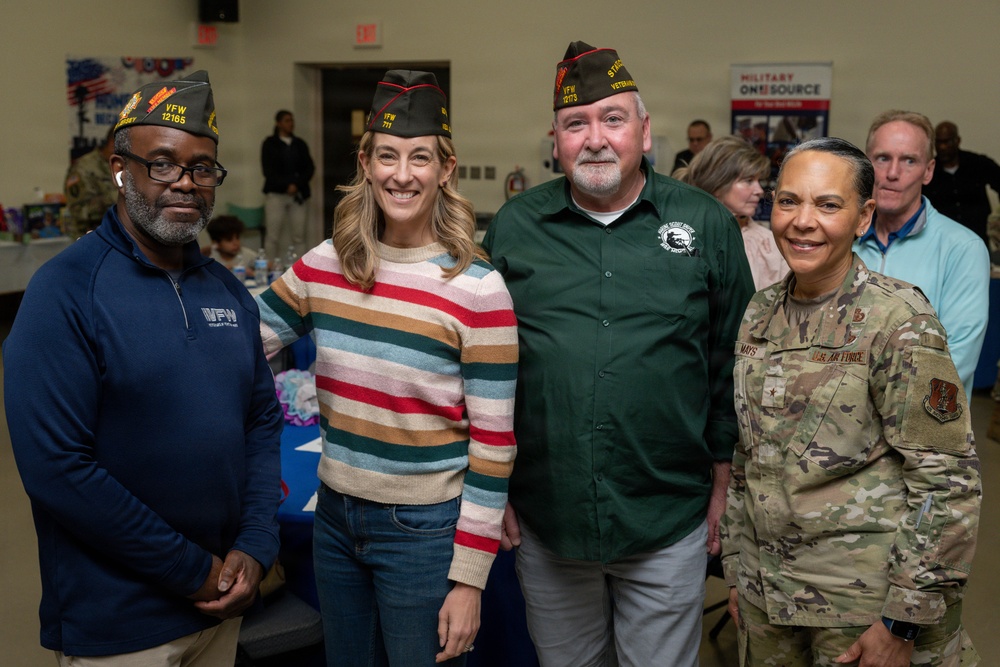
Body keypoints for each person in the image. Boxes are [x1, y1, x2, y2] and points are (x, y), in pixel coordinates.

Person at [482, 41, 755, 667]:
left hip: (667, 513)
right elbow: (485, 370)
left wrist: (724, 478)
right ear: (555, 140)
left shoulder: (705, 223)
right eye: (576, 124)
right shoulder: (515, 228)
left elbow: (734, 360)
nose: (596, 138)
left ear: (645, 131)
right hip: (550, 517)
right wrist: (492, 485)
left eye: (613, 119)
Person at [3, 70, 283, 666]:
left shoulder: (228, 291)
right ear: (120, 169)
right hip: (120, 625)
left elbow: (260, 420)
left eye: (202, 167)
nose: (185, 183)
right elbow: (57, 468)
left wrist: (256, 546)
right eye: (162, 164)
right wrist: (190, 571)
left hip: (223, 606)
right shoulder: (65, 292)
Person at [255, 70, 518, 666]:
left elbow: (495, 446)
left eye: (420, 157)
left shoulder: (478, 290)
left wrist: (470, 578)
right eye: (388, 156)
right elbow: (243, 338)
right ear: (366, 162)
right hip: (335, 517)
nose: (402, 175)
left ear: (445, 169)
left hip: (423, 530)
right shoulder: (327, 264)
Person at [721, 137, 981, 667]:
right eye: (789, 201)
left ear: (863, 218)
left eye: (828, 204)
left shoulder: (897, 319)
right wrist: (739, 570)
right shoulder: (760, 311)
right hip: (767, 595)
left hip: (861, 606)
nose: (802, 221)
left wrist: (903, 620)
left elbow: (947, 481)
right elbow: (750, 454)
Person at [853, 110, 989, 398]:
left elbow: (955, 362)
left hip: (919, 431)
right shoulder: (844, 240)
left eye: (909, 160)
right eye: (882, 158)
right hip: (841, 431)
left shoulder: (963, 248)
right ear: (867, 165)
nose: (892, 173)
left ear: (928, 171)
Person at [673, 135, 789, 289]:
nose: (759, 190)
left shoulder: (769, 243)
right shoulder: (685, 239)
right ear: (718, 184)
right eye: (748, 181)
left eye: (758, 181)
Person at [922, 120, 1000, 246]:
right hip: (942, 239)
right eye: (938, 142)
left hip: (977, 236)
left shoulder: (978, 163)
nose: (942, 147)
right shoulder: (928, 171)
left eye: (947, 142)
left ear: (957, 141)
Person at [261, 109, 315, 261]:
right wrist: (286, 185)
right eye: (287, 120)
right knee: (272, 236)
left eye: (292, 120)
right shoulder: (269, 144)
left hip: (298, 196)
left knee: (299, 236)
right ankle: (269, 268)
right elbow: (268, 171)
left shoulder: (300, 144)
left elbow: (309, 168)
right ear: (278, 123)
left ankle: (301, 271)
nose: (291, 123)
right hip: (276, 195)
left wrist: (296, 185)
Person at [64, 125, 118, 237]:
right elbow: (78, 211)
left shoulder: (125, 165)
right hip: (89, 238)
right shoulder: (83, 167)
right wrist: (115, 198)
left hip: (117, 236)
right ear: (113, 143)